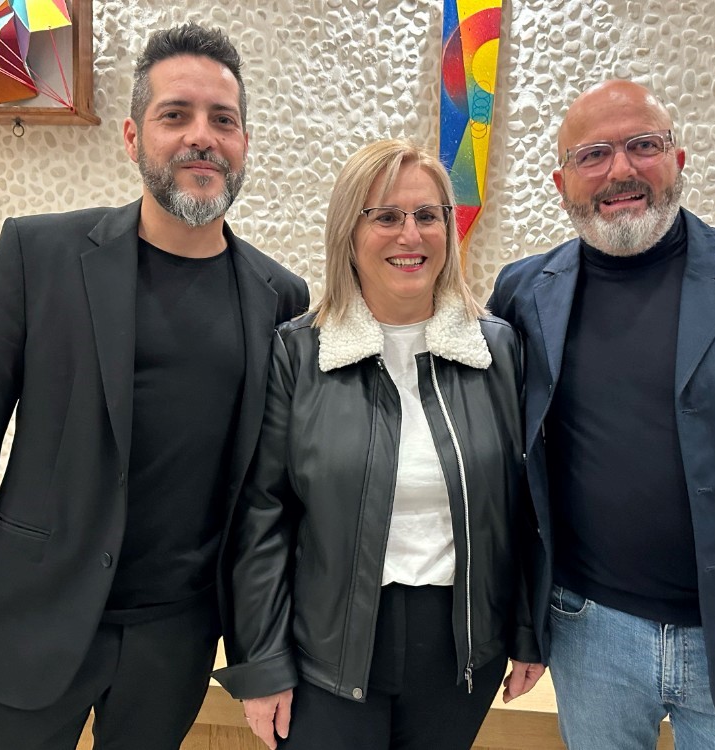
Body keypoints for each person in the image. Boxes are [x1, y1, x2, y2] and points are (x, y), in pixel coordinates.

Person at [0, 22, 308, 750]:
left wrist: (266, 644)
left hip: (175, 638)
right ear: (133, 137)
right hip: (30, 614)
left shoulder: (281, 298)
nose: (201, 137)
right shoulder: (40, 254)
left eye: (223, 120)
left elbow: (270, 492)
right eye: (175, 115)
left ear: (244, 143)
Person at [488, 79, 715, 749]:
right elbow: (509, 473)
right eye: (593, 154)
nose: (620, 170)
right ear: (561, 182)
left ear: (678, 159)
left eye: (643, 145)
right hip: (588, 634)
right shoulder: (522, 293)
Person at [213, 139, 545, 750]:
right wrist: (262, 662)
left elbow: (524, 506)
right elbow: (263, 517)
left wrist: (528, 630)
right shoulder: (299, 354)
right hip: (326, 652)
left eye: (427, 216)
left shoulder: (496, 350)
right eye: (386, 216)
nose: (409, 235)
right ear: (349, 231)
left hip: (461, 653)